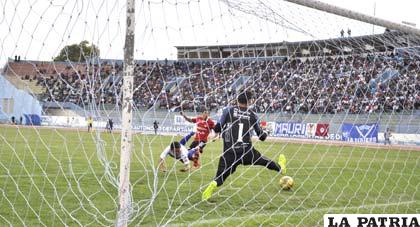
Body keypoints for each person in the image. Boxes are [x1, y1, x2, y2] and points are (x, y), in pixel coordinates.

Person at [202, 90, 287, 201]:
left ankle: (213, 185)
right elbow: (261, 137)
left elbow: (217, 128)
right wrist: (267, 132)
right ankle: (281, 168)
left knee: (221, 176)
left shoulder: (228, 111)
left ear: (237, 100)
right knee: (264, 161)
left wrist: (222, 128)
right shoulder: (253, 115)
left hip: (229, 152)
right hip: (246, 151)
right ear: (250, 101)